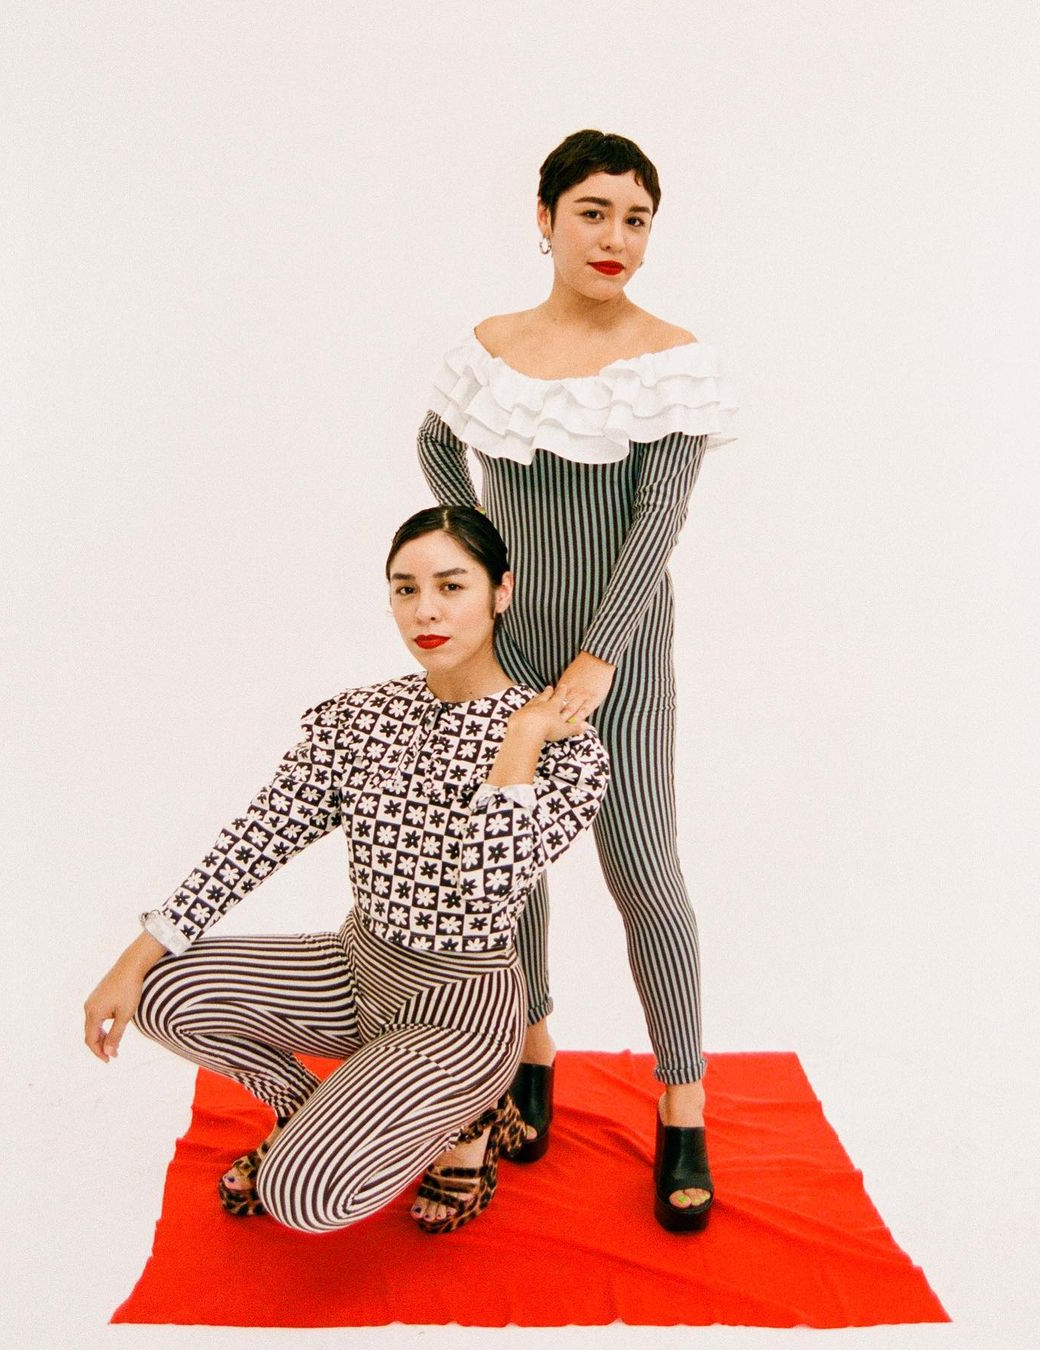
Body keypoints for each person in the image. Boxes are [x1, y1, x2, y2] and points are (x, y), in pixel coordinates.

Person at [83, 505, 609, 1236]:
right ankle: (306, 1114)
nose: (425, 611)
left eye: (451, 586)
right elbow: (256, 840)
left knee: (303, 1196)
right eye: (405, 589)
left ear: (502, 591)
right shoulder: (359, 719)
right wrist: (134, 955)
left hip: (458, 1010)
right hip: (354, 968)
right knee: (159, 990)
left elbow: (490, 882)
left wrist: (521, 736)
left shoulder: (566, 750)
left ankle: (467, 1121)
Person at [418, 129, 737, 1231]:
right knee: (510, 866)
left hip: (624, 658)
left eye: (636, 218)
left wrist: (600, 657)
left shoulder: (669, 358)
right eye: (594, 212)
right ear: (545, 218)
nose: (616, 238)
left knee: (643, 869)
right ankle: (531, 1047)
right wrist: (479, 569)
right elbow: (437, 443)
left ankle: (684, 1106)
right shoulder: (492, 348)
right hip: (509, 652)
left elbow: (658, 522)